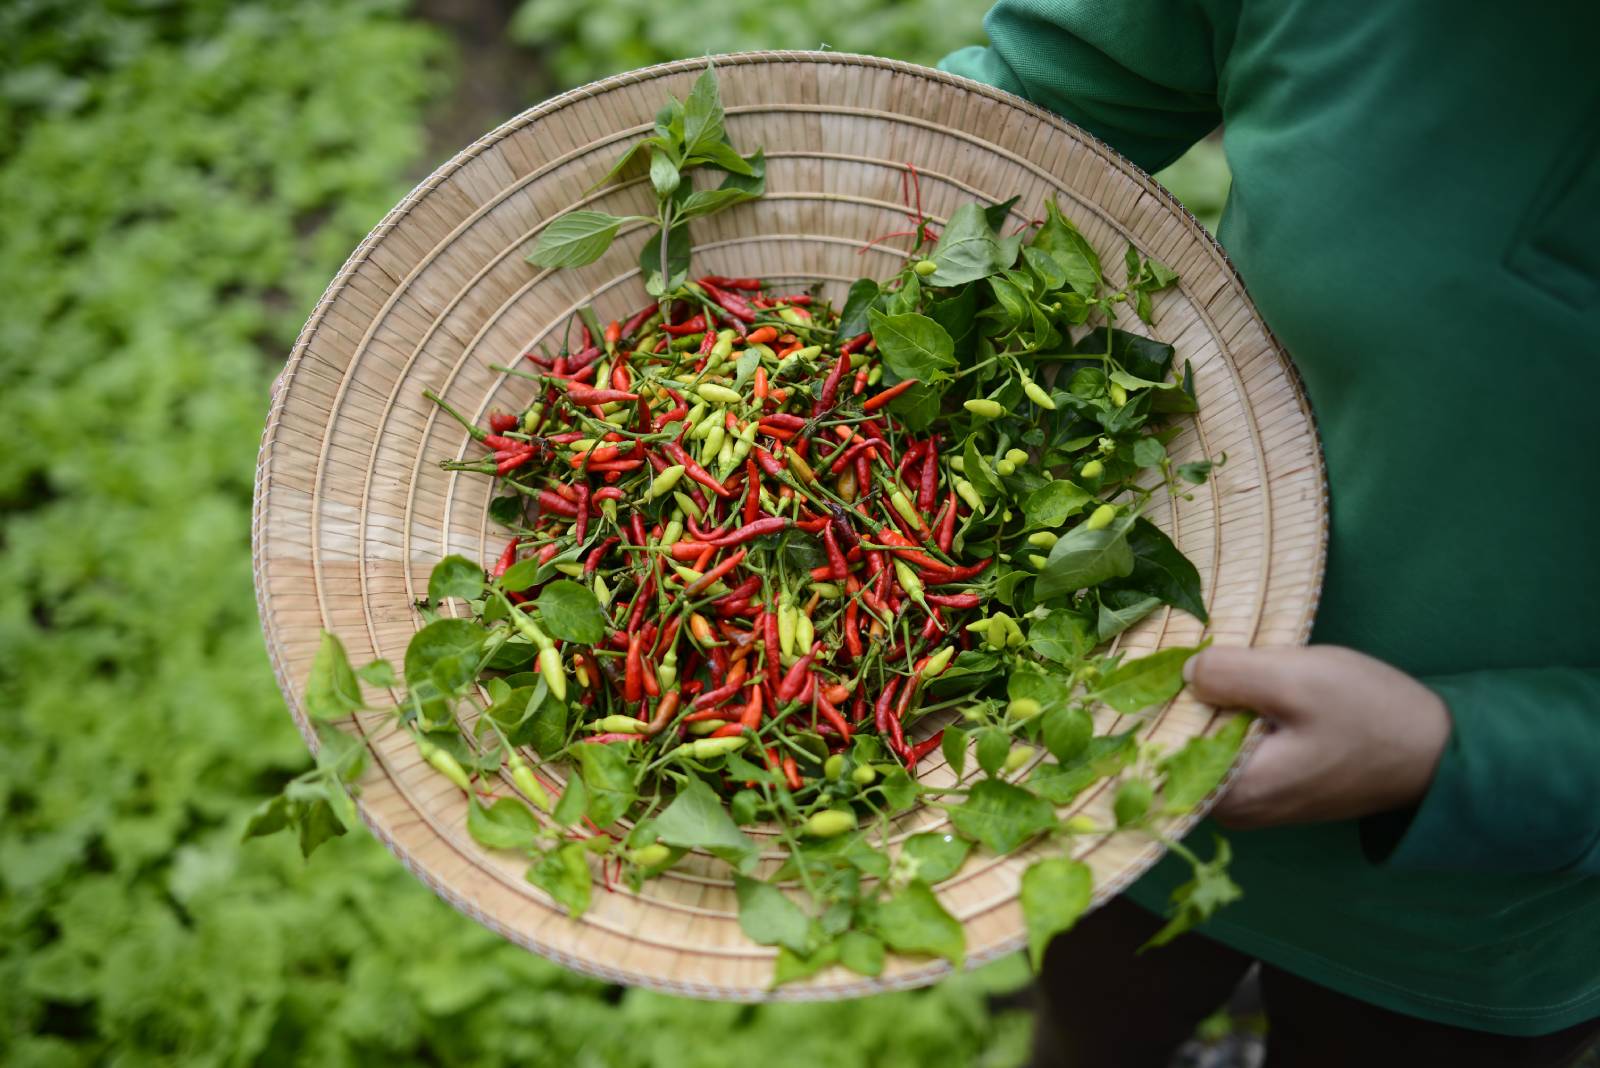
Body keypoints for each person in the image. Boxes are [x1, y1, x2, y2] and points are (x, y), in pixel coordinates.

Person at [938, 4, 1600, 1066]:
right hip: (1122, 714)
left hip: (1472, 915)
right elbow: (1067, 88)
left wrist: (1459, 754)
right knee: (1093, 1018)